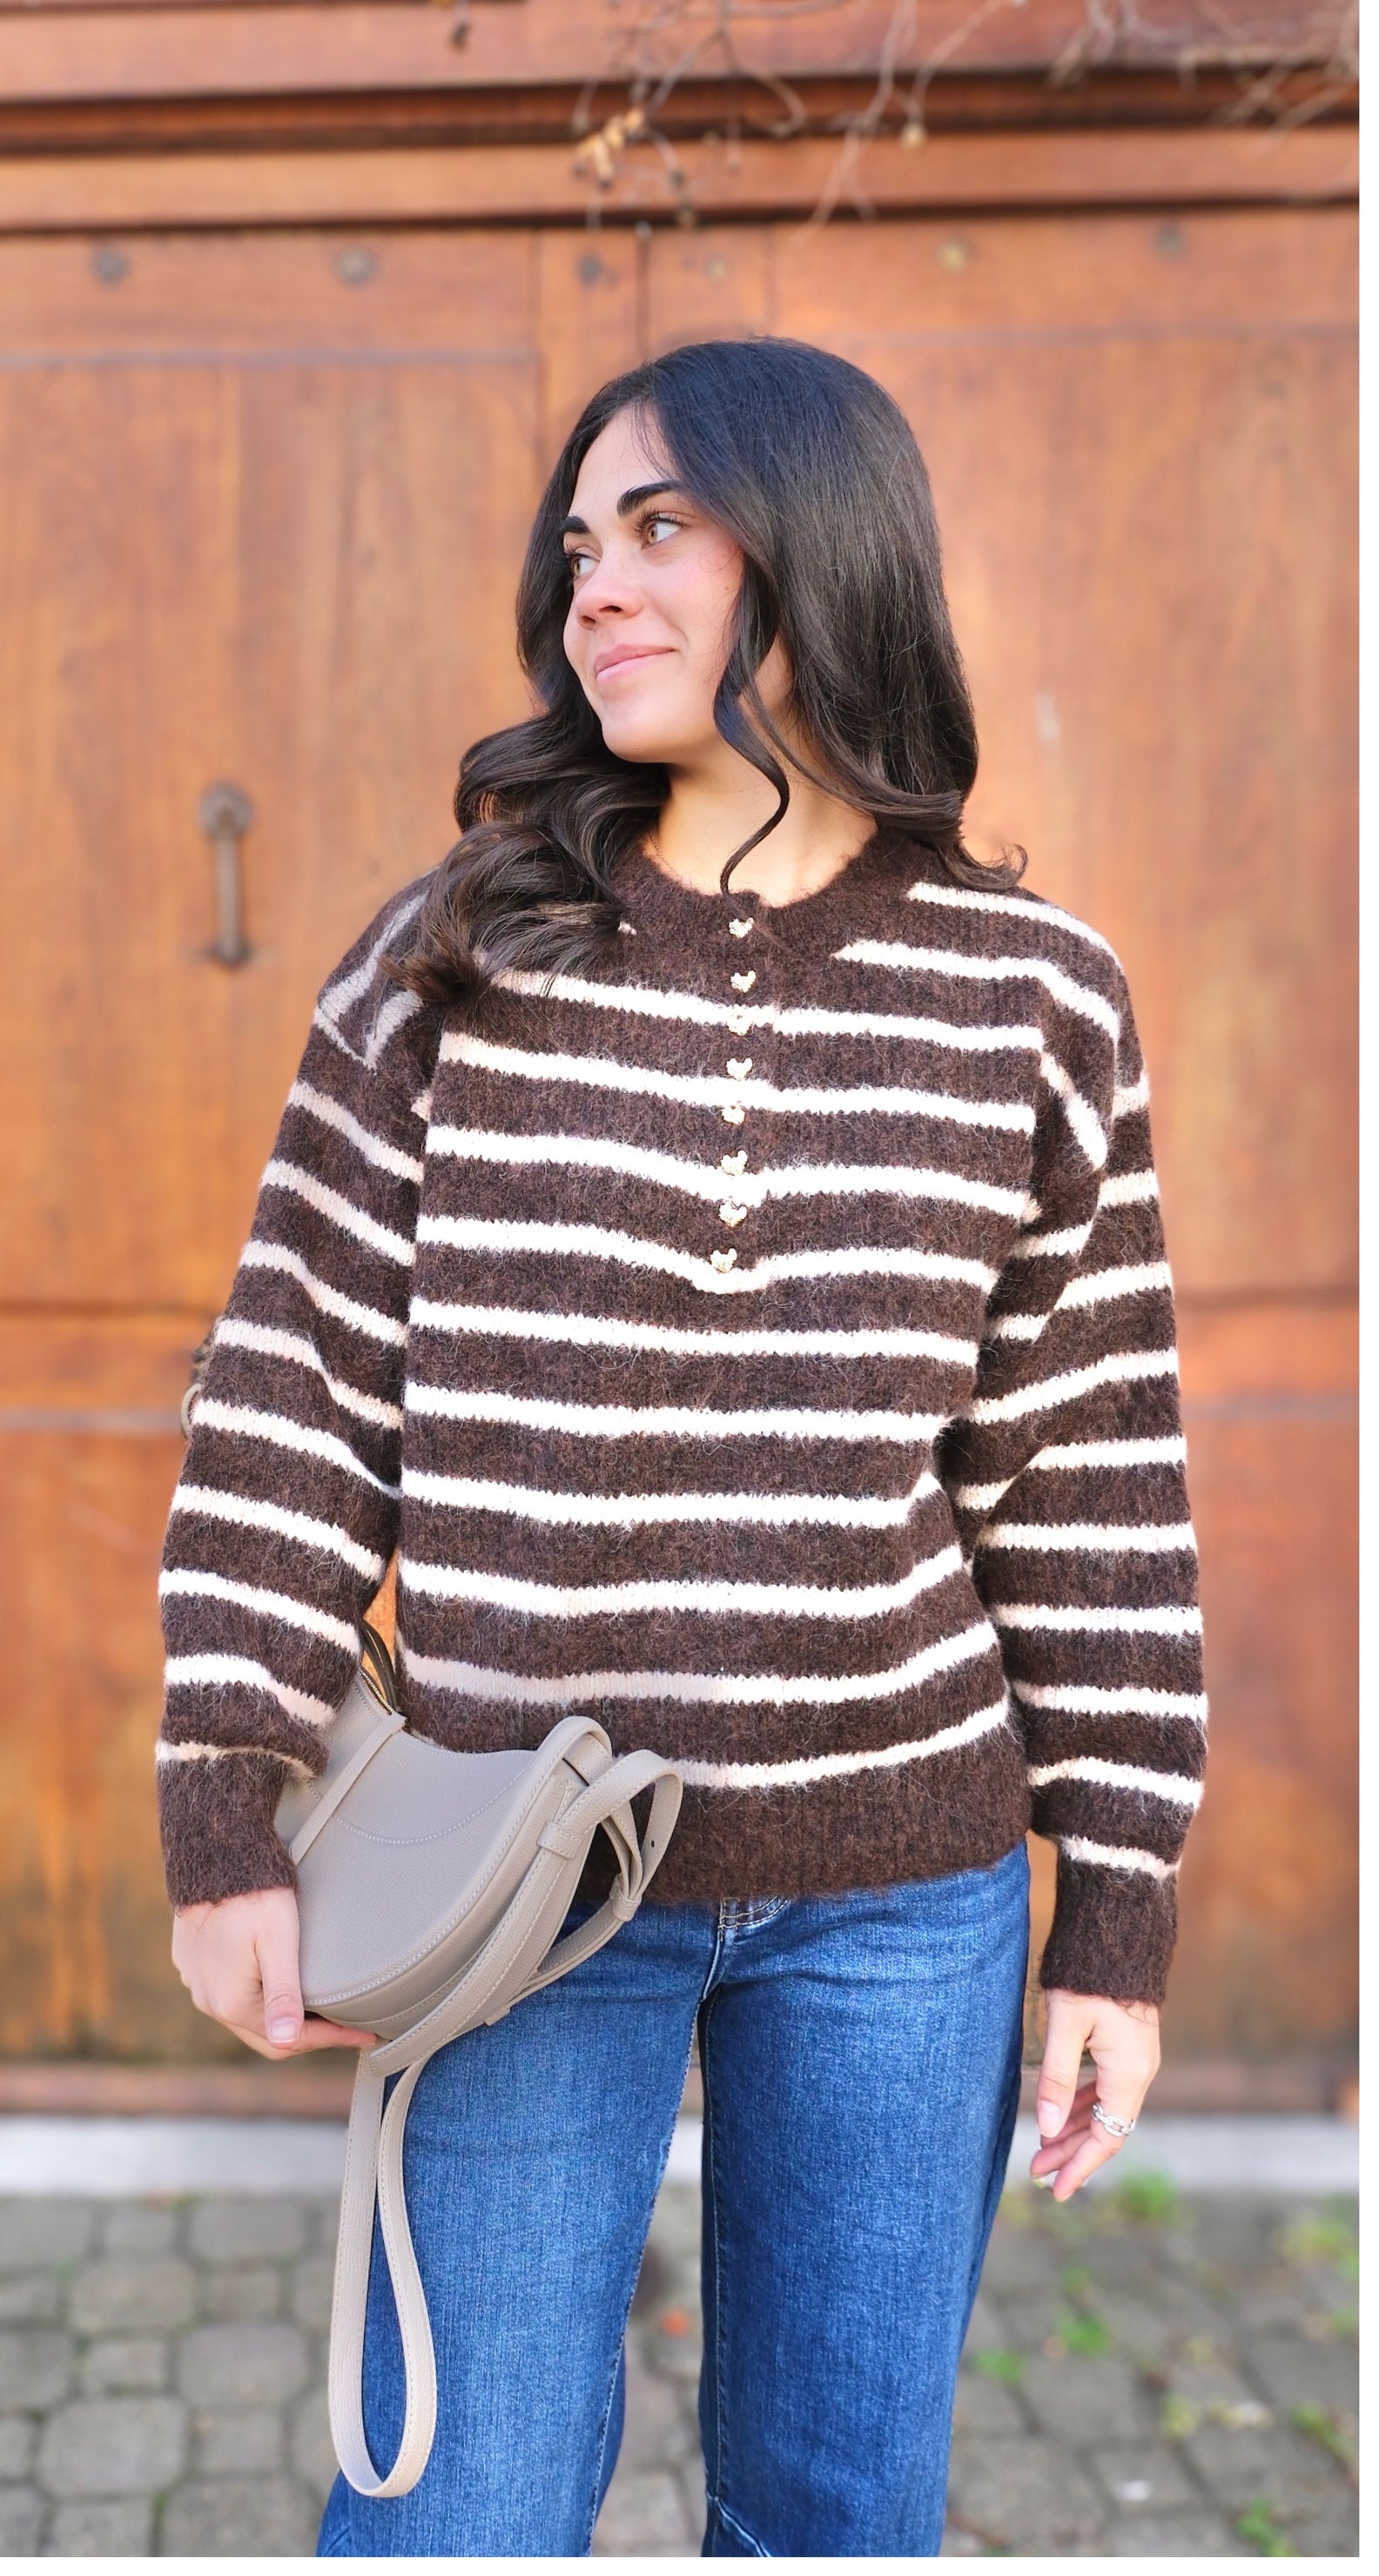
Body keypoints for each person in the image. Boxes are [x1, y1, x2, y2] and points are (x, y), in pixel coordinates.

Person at [158, 337, 1206, 2557]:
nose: (596, 592)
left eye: (659, 530)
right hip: (516, 1882)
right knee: (454, 2515)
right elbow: (292, 1390)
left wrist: (1113, 1914)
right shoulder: (452, 957)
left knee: (837, 2517)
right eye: (577, 548)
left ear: (823, 551)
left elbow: (1087, 1478)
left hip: (902, 1898)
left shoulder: (1034, 997)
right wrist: (222, 1805)